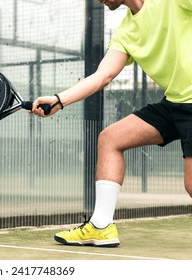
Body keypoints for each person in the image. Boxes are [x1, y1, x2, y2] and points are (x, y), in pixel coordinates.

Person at [30, 0, 192, 247]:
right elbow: (102, 76)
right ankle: (101, 226)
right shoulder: (126, 32)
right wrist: (58, 100)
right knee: (111, 138)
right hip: (175, 102)